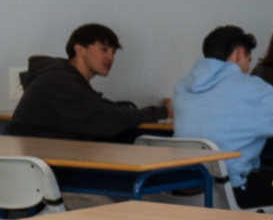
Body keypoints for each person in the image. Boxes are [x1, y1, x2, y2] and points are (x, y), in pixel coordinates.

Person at [174, 26, 273, 212]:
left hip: (183, 189)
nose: (248, 69)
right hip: (229, 192)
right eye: (248, 60)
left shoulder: (183, 87)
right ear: (239, 54)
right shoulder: (252, 88)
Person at [9, 24, 168, 140]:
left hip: (45, 159)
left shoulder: (68, 79)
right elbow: (106, 121)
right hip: (41, 166)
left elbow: (100, 107)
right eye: (104, 49)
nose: (110, 58)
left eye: (113, 52)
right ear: (79, 49)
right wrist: (161, 112)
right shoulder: (59, 81)